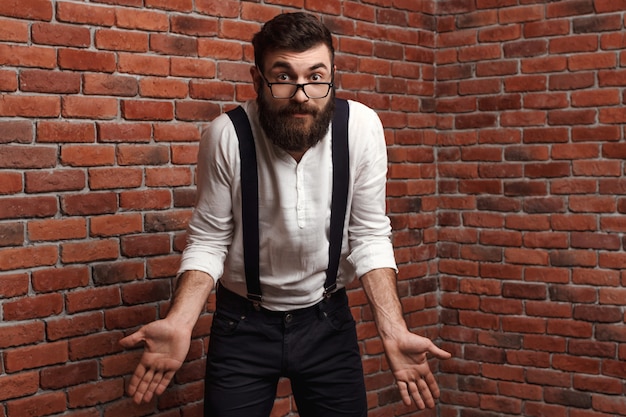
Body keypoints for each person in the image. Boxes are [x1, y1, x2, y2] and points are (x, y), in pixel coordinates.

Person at [120, 12, 451, 417]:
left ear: (332, 76)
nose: (301, 94)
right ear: (258, 81)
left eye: (315, 77)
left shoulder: (361, 128)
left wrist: (394, 331)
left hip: (327, 321)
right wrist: (180, 321)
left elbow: (369, 235)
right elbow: (209, 239)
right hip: (242, 324)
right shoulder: (226, 135)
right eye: (283, 77)